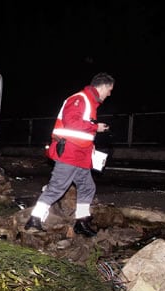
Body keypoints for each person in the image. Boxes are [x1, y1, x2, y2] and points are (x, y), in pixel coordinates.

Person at [24, 72, 114, 237]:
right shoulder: (80, 99)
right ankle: (34, 219)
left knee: (87, 187)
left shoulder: (90, 103)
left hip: (80, 155)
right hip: (70, 154)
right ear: (102, 86)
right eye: (109, 89)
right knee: (57, 187)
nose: (109, 94)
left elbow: (81, 131)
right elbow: (72, 123)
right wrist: (96, 128)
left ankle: (81, 222)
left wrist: (91, 144)